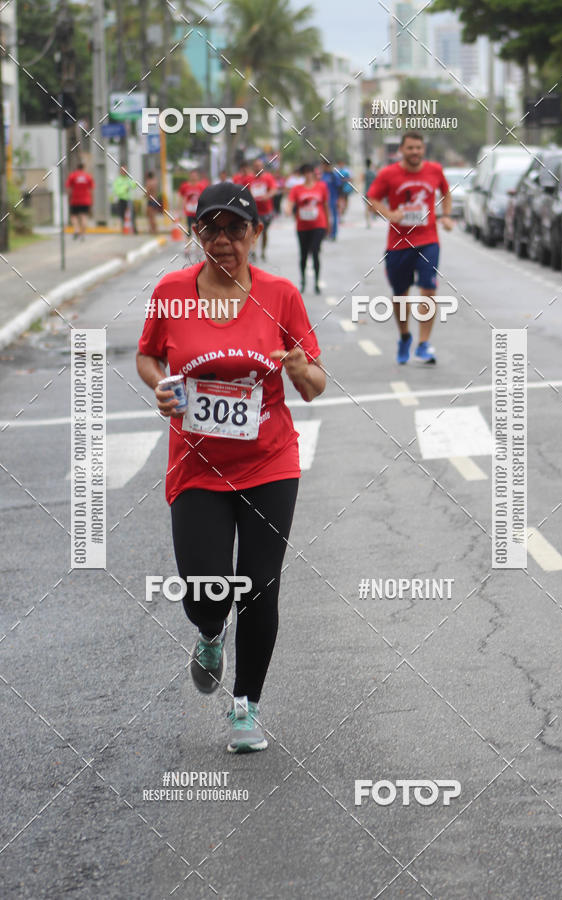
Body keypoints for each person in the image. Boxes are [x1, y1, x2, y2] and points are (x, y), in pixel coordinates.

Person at [136, 182, 326, 753]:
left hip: (269, 461)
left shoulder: (281, 296)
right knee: (206, 590)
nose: (222, 240)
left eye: (234, 228)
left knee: (261, 589)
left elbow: (316, 385)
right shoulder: (172, 291)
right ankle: (210, 631)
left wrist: (297, 368)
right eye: (210, 228)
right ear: (196, 234)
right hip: (196, 466)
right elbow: (147, 355)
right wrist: (160, 387)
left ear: (255, 234)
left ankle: (246, 706)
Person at [367, 131, 453, 365]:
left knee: (428, 290)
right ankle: (405, 336)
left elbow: (446, 192)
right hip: (398, 244)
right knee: (400, 295)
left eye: (418, 148)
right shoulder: (388, 174)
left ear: (423, 150)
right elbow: (372, 198)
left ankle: (423, 344)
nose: (415, 152)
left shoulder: (435, 170)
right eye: (410, 148)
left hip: (428, 240)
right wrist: (390, 214)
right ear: (402, 150)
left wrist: (445, 216)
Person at [286, 163, 330, 294]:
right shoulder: (297, 189)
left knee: (315, 251)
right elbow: (290, 202)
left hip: (318, 224)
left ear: (313, 173)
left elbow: (326, 206)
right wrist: (288, 210)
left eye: (310, 172)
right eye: (305, 172)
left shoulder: (321, 187)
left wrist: (328, 224)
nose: (308, 175)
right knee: (303, 254)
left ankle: (316, 282)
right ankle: (303, 281)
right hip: (303, 226)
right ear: (303, 174)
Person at [248, 159, 278, 260]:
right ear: (253, 167)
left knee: (264, 232)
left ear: (262, 167)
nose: (258, 168)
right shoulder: (249, 179)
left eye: (259, 166)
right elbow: (244, 191)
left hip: (266, 210)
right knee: (254, 230)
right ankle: (253, 251)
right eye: (256, 166)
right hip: (254, 211)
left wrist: (267, 195)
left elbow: (274, 189)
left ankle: (263, 251)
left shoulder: (268, 178)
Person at [65, 161, 94, 240]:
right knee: (84, 216)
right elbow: (91, 190)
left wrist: (69, 197)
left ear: (77, 167)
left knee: (74, 216)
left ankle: (76, 229)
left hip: (75, 199)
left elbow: (68, 188)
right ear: (84, 168)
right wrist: (91, 200)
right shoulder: (88, 176)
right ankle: (83, 234)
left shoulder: (73, 176)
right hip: (85, 200)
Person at [178, 169, 210, 235]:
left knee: (199, 231)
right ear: (189, 176)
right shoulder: (185, 186)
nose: (193, 177)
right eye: (192, 176)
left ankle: (198, 244)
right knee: (188, 230)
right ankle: (188, 244)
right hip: (188, 212)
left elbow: (204, 198)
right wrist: (180, 211)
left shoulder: (201, 186)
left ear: (198, 177)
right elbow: (182, 198)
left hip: (198, 212)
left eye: (195, 176)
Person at [111, 166, 138, 234]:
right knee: (122, 215)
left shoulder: (128, 179)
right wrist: (124, 189)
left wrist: (135, 183)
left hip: (129, 199)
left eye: (125, 171)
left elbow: (133, 186)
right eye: (123, 171)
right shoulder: (118, 180)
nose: (124, 172)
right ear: (120, 171)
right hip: (122, 199)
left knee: (132, 215)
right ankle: (124, 230)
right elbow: (116, 191)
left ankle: (134, 230)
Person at [321, 162, 343, 240]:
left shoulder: (334, 175)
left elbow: (339, 187)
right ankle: (326, 233)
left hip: (333, 199)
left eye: (323, 165)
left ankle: (333, 234)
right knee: (324, 217)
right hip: (324, 201)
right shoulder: (322, 175)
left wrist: (339, 200)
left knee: (333, 218)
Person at [144, 171, 162, 235]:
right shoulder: (155, 182)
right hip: (155, 199)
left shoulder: (149, 182)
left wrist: (145, 195)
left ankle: (153, 230)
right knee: (153, 216)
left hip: (151, 200)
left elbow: (147, 192)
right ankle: (153, 230)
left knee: (151, 217)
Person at [364, 158, 377, 228]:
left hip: (366, 191)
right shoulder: (373, 173)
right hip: (373, 192)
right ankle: (372, 218)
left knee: (366, 207)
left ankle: (368, 222)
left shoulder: (365, 172)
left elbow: (362, 180)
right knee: (372, 206)